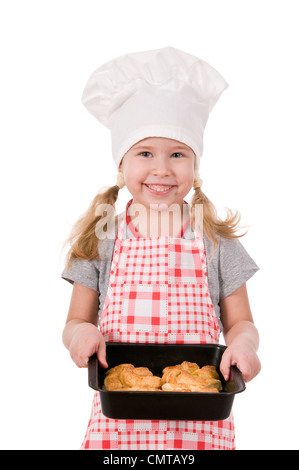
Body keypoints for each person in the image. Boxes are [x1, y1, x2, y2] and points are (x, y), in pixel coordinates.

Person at [61, 47, 261, 450]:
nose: (162, 169)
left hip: (201, 424)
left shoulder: (215, 240)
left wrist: (244, 344)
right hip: (119, 426)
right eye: (145, 153)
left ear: (196, 165)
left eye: (178, 154)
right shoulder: (100, 239)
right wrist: (80, 335)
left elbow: (241, 323)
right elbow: (75, 322)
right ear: (122, 164)